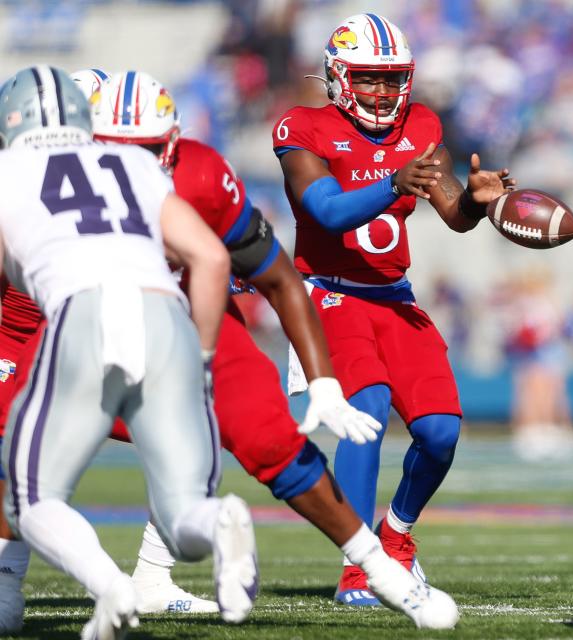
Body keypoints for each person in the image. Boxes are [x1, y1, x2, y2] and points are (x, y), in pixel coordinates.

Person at [0, 64, 257, 639]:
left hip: (73, 322)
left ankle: (94, 585)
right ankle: (212, 526)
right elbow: (213, 258)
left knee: (30, 491)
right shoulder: (137, 164)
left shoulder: (12, 170)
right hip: (159, 319)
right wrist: (207, 362)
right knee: (186, 488)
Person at [273, 13, 513, 605]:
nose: (382, 92)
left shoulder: (422, 123)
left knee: (440, 433)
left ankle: (397, 536)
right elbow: (325, 212)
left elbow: (452, 211)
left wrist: (478, 203)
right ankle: (360, 569)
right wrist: (393, 183)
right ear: (337, 76)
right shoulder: (303, 127)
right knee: (368, 412)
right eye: (368, 78)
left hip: (395, 297)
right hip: (331, 293)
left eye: (390, 79)